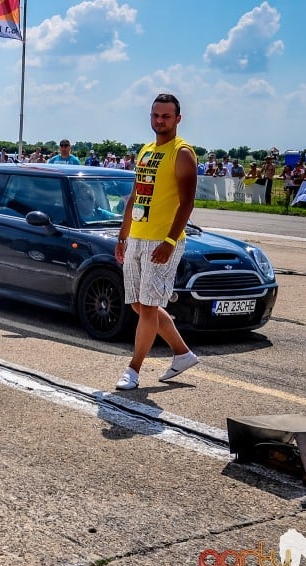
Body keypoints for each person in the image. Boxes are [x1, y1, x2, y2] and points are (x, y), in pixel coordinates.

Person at [114, 93, 199, 391]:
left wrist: (169, 241)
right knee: (138, 304)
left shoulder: (182, 152)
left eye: (165, 116)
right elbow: (136, 196)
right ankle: (183, 353)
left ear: (177, 119)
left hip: (162, 242)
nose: (159, 121)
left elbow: (186, 203)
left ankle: (133, 369)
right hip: (137, 237)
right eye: (155, 115)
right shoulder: (146, 152)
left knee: (149, 307)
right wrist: (122, 237)